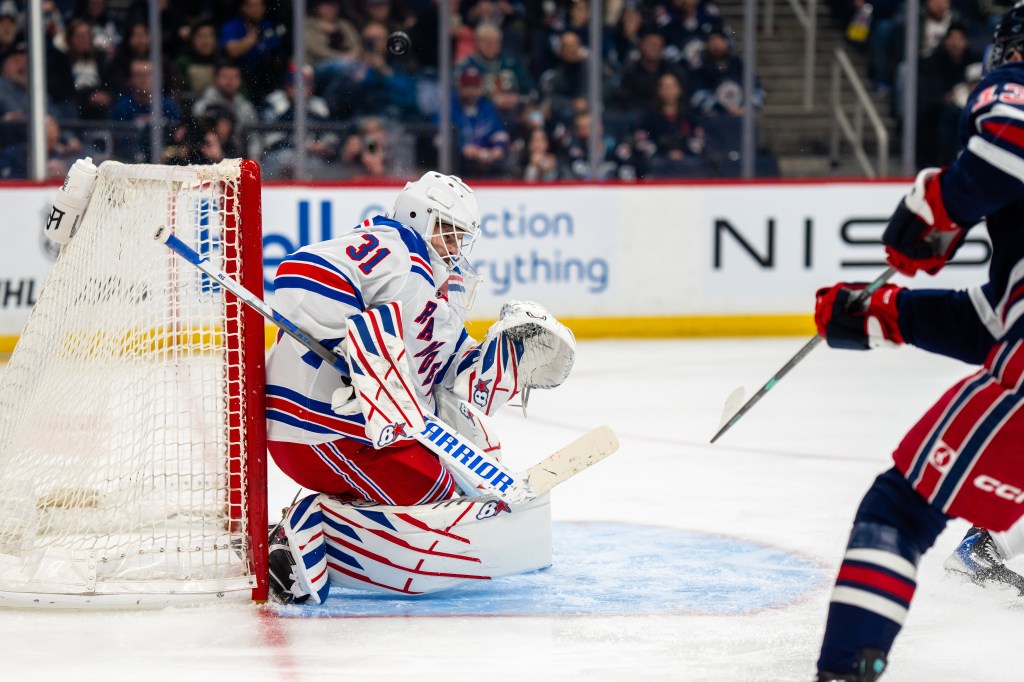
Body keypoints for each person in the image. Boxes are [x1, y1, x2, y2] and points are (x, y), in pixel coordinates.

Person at [811, 7, 1024, 679]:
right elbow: (997, 322)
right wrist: (887, 313)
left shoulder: (1013, 86)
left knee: (898, 510)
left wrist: (941, 207)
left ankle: (847, 670)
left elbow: (1007, 142)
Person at [264, 171, 574, 602]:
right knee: (436, 497)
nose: (455, 247)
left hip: (353, 434)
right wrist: (358, 355)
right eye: (450, 233)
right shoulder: (395, 249)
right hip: (319, 425)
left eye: (461, 238)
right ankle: (299, 530)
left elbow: (447, 373)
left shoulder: (432, 284)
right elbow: (302, 273)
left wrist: (507, 357)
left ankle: (317, 525)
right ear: (420, 216)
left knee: (471, 468)